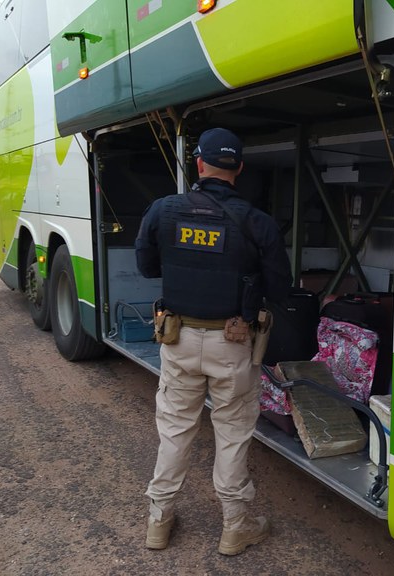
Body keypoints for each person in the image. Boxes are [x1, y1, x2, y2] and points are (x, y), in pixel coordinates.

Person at [135, 127, 292, 555]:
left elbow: (148, 267)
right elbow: (281, 287)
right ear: (238, 169)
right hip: (234, 343)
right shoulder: (257, 223)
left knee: (175, 431)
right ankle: (235, 526)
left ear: (199, 164)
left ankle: (159, 520)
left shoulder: (163, 211)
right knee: (233, 433)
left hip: (178, 338)